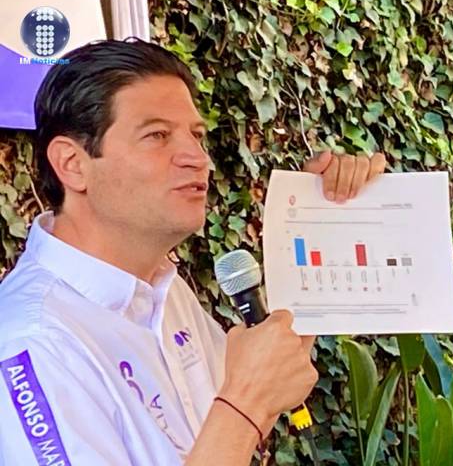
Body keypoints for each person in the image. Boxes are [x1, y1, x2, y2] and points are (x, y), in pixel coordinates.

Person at [0, 38, 387, 465]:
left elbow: (237, 419)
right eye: (157, 135)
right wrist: (247, 403)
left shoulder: (160, 289)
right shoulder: (31, 342)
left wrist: (322, 220)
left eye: (197, 136)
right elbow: (241, 410)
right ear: (72, 164)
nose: (197, 158)